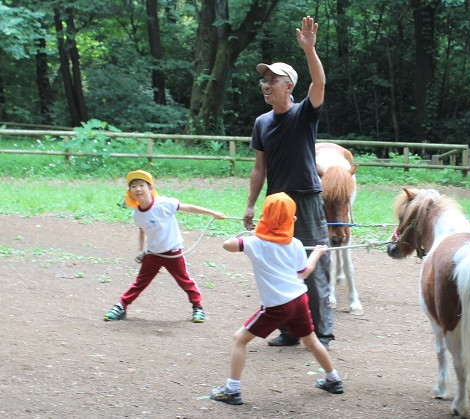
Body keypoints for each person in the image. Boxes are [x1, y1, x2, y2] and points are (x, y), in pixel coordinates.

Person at [242, 16, 334, 349]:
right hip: (276, 203)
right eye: (263, 80)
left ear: (289, 87)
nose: (266, 85)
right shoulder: (261, 123)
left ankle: (321, 331)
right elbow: (258, 168)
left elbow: (320, 84)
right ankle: (290, 330)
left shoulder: (303, 114)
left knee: (314, 261)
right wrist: (252, 203)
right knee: (278, 265)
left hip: (306, 198)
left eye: (273, 80)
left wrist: (309, 50)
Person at [211, 193, 343, 405]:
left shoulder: (254, 243)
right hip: (299, 299)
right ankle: (333, 379)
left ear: (264, 217)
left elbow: (227, 244)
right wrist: (317, 253)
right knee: (311, 341)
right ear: (292, 220)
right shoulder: (296, 244)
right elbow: (304, 273)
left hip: (277, 306)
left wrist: (254, 231)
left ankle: (232, 390)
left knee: (239, 339)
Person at [103, 170, 226, 323]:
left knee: (184, 280)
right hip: (153, 254)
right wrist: (141, 250)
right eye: (134, 186)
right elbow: (142, 231)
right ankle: (121, 306)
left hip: (173, 252)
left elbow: (187, 207)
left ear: (151, 188)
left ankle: (197, 307)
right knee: (140, 282)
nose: (138, 189)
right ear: (130, 192)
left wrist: (213, 213)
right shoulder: (137, 214)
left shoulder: (163, 204)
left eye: (142, 185)